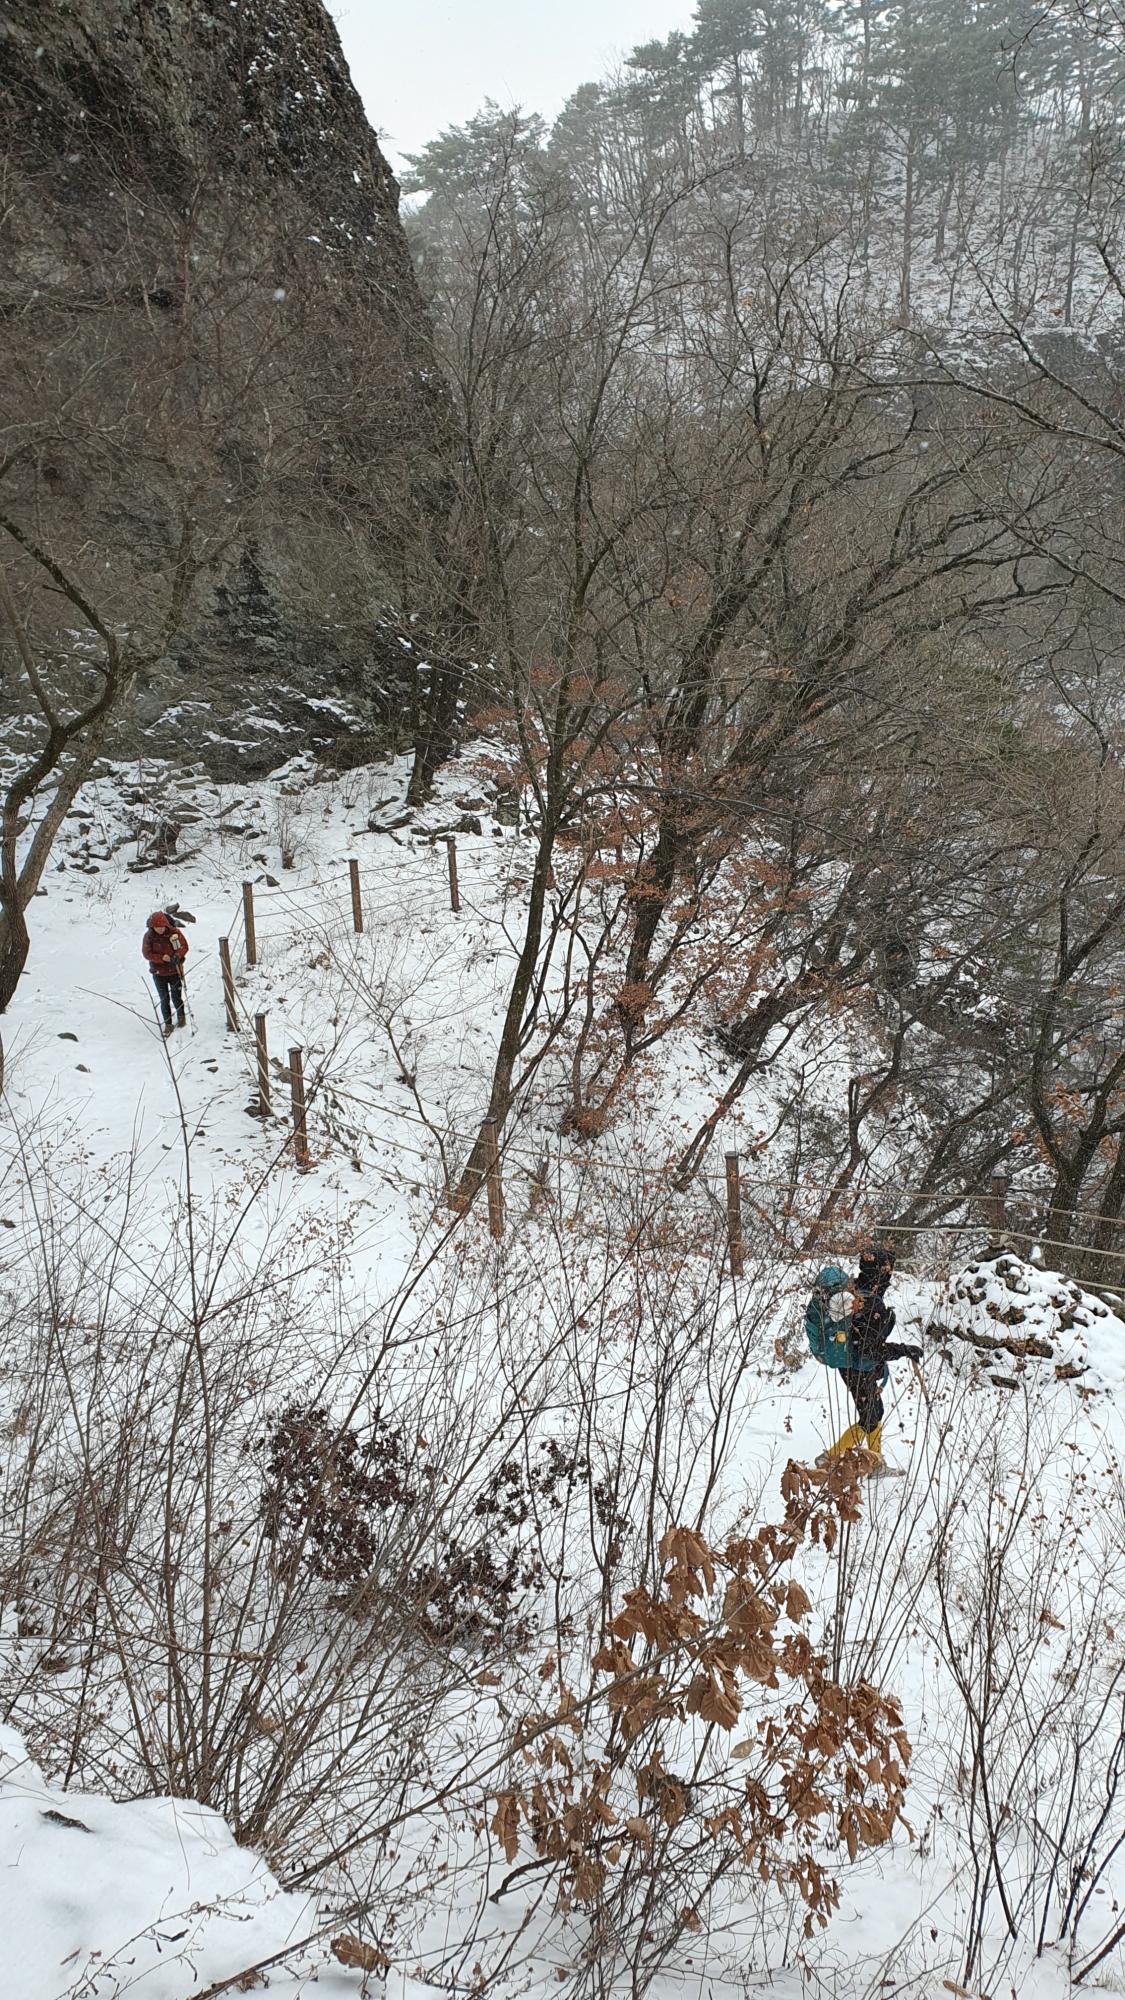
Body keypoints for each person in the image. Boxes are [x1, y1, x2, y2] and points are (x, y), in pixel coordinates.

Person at [806, 1244, 921, 1469]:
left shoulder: (855, 1290)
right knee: (870, 1419)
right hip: (860, 1369)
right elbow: (871, 1350)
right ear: (880, 1273)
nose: (889, 1277)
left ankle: (874, 1463)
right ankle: (832, 1458)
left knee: (874, 1413)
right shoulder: (870, 1304)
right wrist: (904, 1350)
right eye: (887, 1271)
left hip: (849, 1364)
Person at [142, 910, 189, 1036]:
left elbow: (184, 946)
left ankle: (181, 1017)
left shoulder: (174, 932)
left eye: (162, 927)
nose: (160, 929)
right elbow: (147, 953)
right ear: (152, 927)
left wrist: (177, 956)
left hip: (174, 970)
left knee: (176, 996)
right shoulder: (149, 936)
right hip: (158, 972)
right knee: (164, 999)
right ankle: (168, 1024)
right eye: (157, 927)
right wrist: (161, 958)